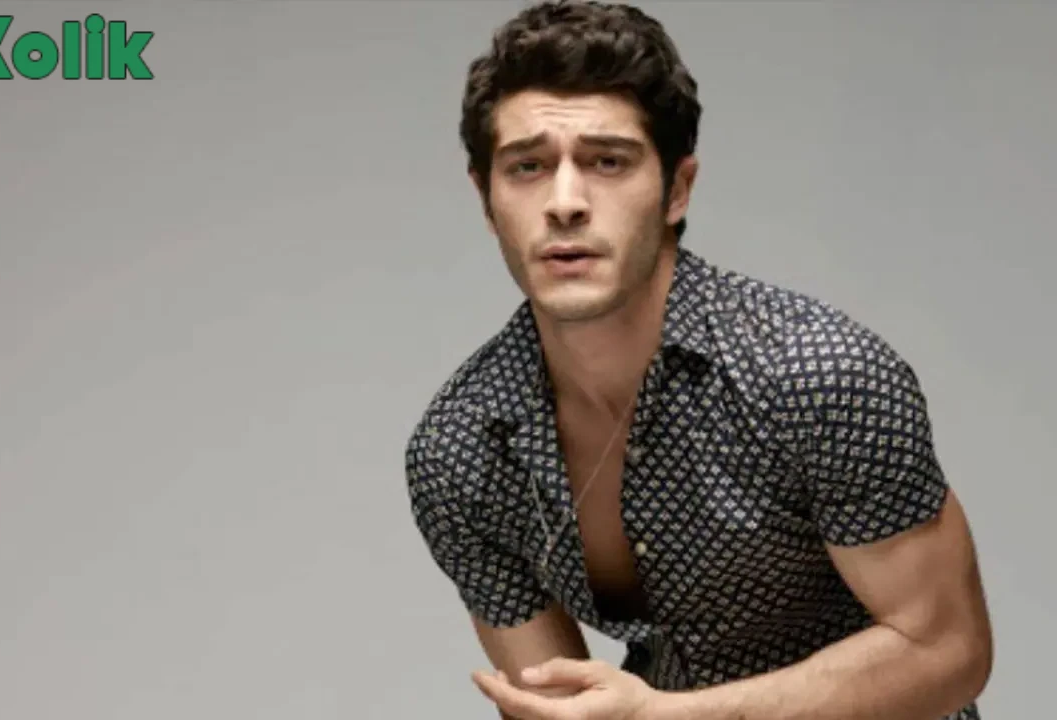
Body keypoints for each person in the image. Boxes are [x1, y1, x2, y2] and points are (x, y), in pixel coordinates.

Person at [402, 2, 994, 719]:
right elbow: (554, 705)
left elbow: (948, 650)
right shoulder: (461, 450)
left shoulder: (819, 375)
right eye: (527, 167)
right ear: (486, 199)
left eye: (607, 162)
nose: (564, 202)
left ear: (676, 189)